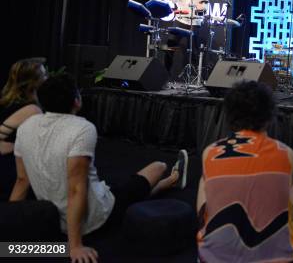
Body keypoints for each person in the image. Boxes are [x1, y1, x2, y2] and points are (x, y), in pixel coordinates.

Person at [10, 73, 188, 263]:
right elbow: (76, 189)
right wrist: (75, 245)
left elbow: (22, 180)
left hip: (52, 218)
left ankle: (164, 184)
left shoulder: (26, 126)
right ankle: (170, 180)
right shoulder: (82, 128)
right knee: (158, 166)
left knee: (113, 186)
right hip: (94, 218)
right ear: (77, 101)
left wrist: (9, 225)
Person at [196, 81, 293, 263]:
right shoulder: (286, 153)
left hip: (213, 258)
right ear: (269, 116)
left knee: (205, 180)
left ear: (229, 115)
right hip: (282, 258)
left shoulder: (210, 152)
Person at [0, 57, 46, 200]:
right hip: (9, 169)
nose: (47, 78)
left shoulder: (6, 101)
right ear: (34, 81)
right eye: (44, 75)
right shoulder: (32, 109)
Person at [167, 0, 209, 81]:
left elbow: (203, 6)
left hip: (194, 22)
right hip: (180, 20)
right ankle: (166, 74)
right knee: (170, 46)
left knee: (194, 51)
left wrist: (197, 7)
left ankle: (195, 79)